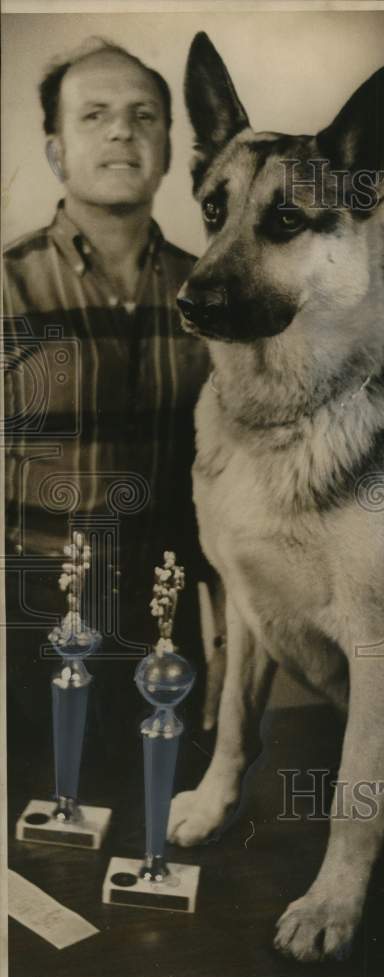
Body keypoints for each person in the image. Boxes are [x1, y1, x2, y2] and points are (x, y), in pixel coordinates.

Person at [3, 39, 210, 752]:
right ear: (57, 150)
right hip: (28, 631)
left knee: (166, 819)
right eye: (95, 115)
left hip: (166, 623)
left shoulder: (211, 294)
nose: (123, 131)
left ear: (169, 147)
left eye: (143, 116)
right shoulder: (7, 285)